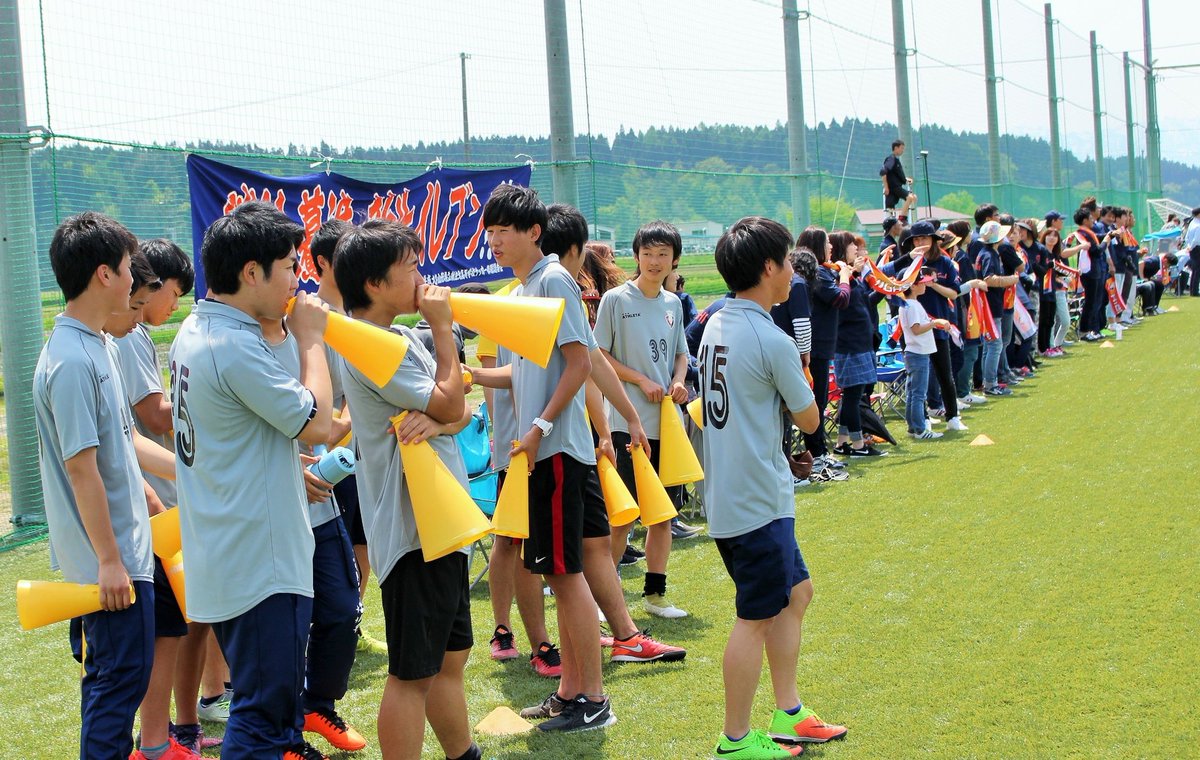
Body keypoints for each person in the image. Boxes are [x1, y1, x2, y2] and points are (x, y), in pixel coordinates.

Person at [171, 201, 334, 760]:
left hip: (232, 550)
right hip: (259, 562)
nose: (298, 278)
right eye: (290, 266)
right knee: (262, 719)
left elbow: (249, 429)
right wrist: (311, 337)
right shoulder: (233, 346)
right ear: (250, 273)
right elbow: (316, 422)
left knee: (271, 709)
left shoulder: (199, 327)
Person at [699, 216, 847, 759]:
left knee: (796, 594)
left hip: (739, 494)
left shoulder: (718, 320)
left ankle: (789, 713)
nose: (792, 272)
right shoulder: (770, 335)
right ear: (767, 268)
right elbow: (811, 421)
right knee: (755, 616)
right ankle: (734, 740)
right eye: (786, 262)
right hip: (756, 500)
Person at [333, 220, 481, 760]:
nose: (423, 278)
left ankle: (463, 753)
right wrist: (443, 329)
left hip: (438, 523)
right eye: (410, 267)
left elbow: (456, 408)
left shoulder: (394, 336)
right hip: (414, 529)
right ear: (374, 284)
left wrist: (442, 420)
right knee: (412, 673)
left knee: (448, 659)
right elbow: (448, 400)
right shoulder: (372, 345)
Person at [472, 184, 615, 733]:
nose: (495, 241)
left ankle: (593, 699)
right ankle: (570, 691)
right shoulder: (526, 287)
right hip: (543, 452)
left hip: (556, 452)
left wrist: (538, 427)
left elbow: (579, 364)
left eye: (503, 231)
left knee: (565, 574)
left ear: (534, 232)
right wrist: (473, 376)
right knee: (559, 572)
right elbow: (530, 370)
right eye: (490, 232)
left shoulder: (553, 280)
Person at [34, 212, 176, 760]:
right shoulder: (70, 359)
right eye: (125, 267)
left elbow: (121, 442)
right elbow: (81, 469)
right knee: (115, 690)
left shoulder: (99, 346)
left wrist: (174, 475)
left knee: (125, 681)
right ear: (103, 275)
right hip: (108, 566)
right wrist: (110, 561)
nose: (133, 277)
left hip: (127, 552)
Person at [595, 220, 691, 619]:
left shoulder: (673, 304)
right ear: (636, 256)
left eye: (663, 254)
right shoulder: (615, 300)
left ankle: (655, 596)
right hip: (624, 424)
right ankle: (605, 596)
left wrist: (679, 381)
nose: (655, 261)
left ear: (674, 260)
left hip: (666, 425)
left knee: (664, 515)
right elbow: (597, 357)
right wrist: (640, 380)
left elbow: (682, 354)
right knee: (624, 516)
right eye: (648, 253)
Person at [798, 226, 851, 475]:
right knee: (815, 403)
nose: (831, 247)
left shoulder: (821, 271)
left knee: (819, 401)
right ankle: (816, 456)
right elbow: (840, 298)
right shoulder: (817, 273)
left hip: (821, 347)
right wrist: (845, 277)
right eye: (827, 243)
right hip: (814, 349)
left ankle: (819, 453)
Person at [906, 221, 967, 431]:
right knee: (918, 378)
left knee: (944, 374)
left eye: (924, 238)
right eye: (916, 239)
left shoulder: (945, 263)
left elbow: (954, 293)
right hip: (916, 328)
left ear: (933, 240)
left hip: (938, 325)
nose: (920, 242)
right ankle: (921, 419)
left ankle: (952, 417)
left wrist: (933, 285)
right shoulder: (910, 263)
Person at [827, 231, 883, 458]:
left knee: (851, 395)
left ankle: (841, 443)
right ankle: (858, 445)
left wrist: (883, 288)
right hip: (850, 346)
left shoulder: (851, 276)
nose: (856, 250)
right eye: (852, 245)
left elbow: (862, 303)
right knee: (852, 396)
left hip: (860, 342)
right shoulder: (839, 277)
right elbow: (845, 305)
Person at [900, 273, 952, 439]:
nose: (924, 285)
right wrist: (934, 323)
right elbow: (916, 328)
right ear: (912, 286)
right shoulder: (912, 305)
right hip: (918, 352)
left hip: (914, 352)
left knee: (912, 392)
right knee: (918, 394)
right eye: (921, 282)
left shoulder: (908, 304)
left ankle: (913, 426)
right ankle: (920, 429)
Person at [976, 220, 1018, 396]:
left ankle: (988, 382)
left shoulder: (985, 253)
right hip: (991, 305)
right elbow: (989, 279)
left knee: (989, 346)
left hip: (988, 305)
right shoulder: (989, 255)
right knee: (995, 344)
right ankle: (991, 384)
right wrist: (1010, 280)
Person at [879, 139, 916, 222]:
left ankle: (903, 217)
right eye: (902, 148)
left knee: (913, 198)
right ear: (896, 148)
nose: (903, 150)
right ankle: (902, 218)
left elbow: (895, 175)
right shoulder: (891, 159)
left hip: (896, 187)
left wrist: (906, 179)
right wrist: (886, 187)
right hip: (894, 188)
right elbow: (883, 172)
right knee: (910, 198)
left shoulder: (896, 161)